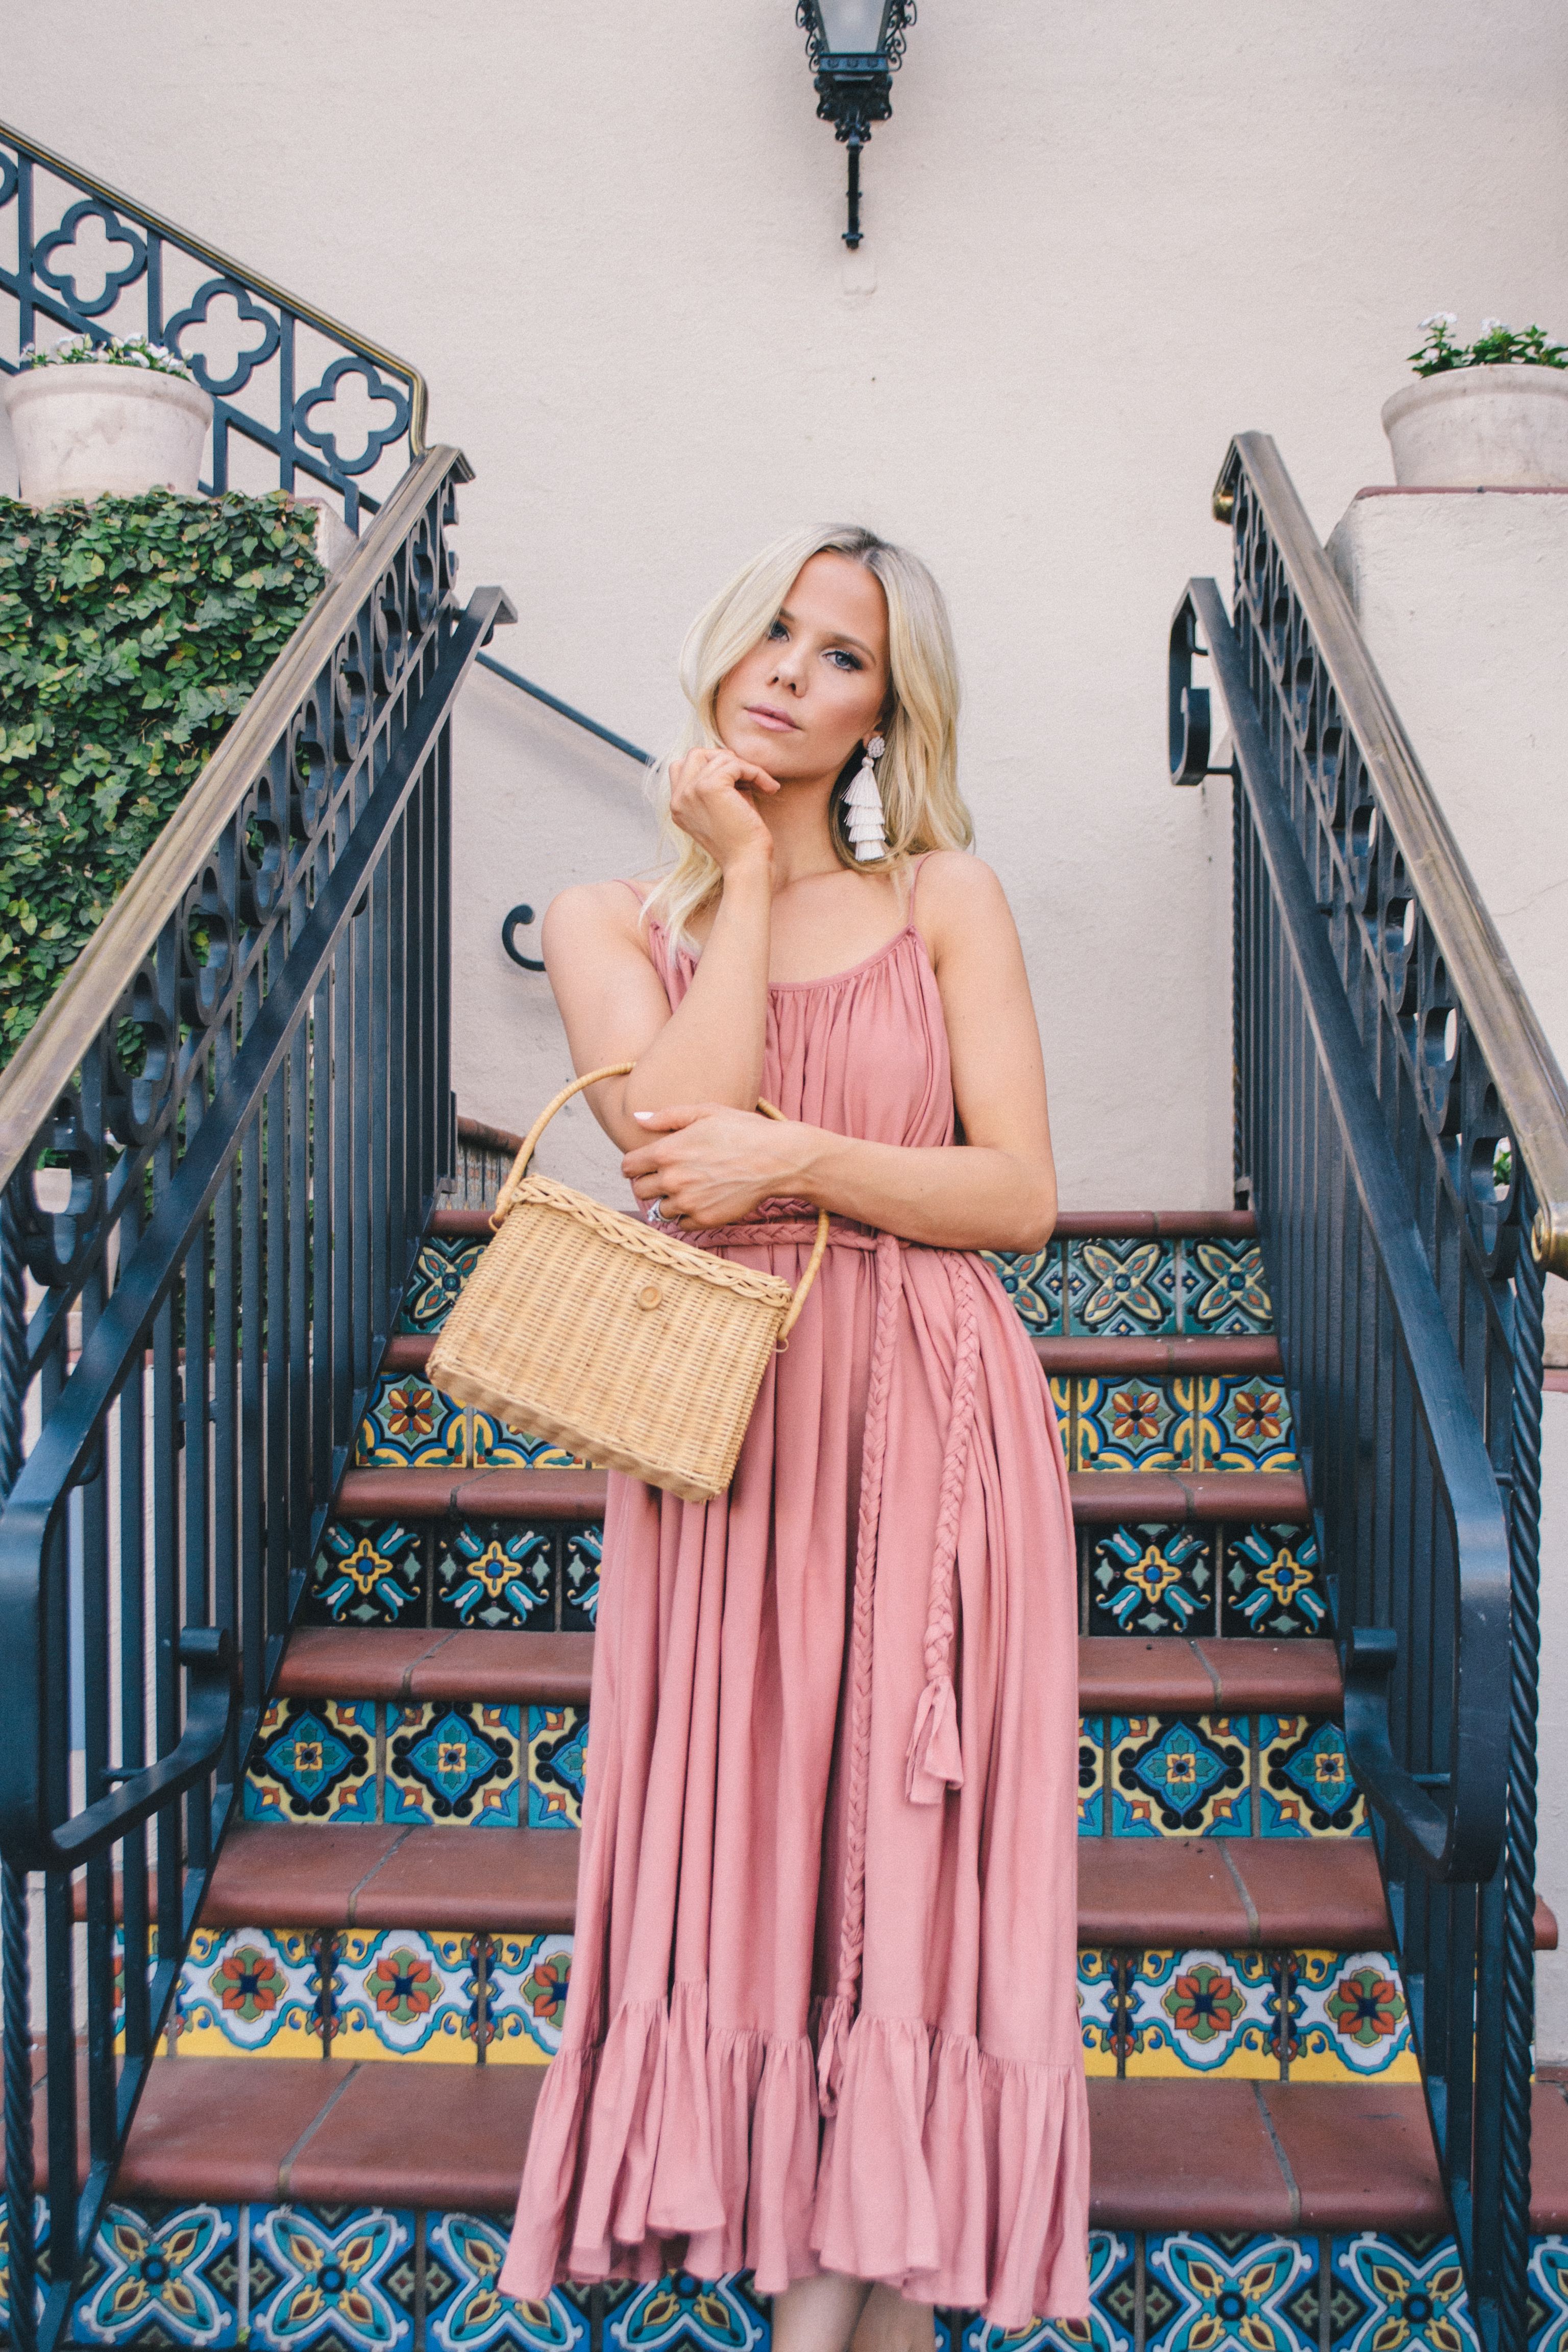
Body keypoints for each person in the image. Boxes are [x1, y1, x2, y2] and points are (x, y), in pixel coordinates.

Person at [499, 525, 1088, 2351]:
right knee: (765, 1853)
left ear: (884, 714)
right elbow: (678, 1142)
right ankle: (837, 2315)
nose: (789, 670)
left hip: (933, 1411)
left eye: (843, 658)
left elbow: (1020, 1198)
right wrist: (744, 878)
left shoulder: (945, 896)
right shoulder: (616, 919)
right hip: (729, 1433)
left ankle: (835, 2321)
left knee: (899, 1866)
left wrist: (808, 1162)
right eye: (774, 628)